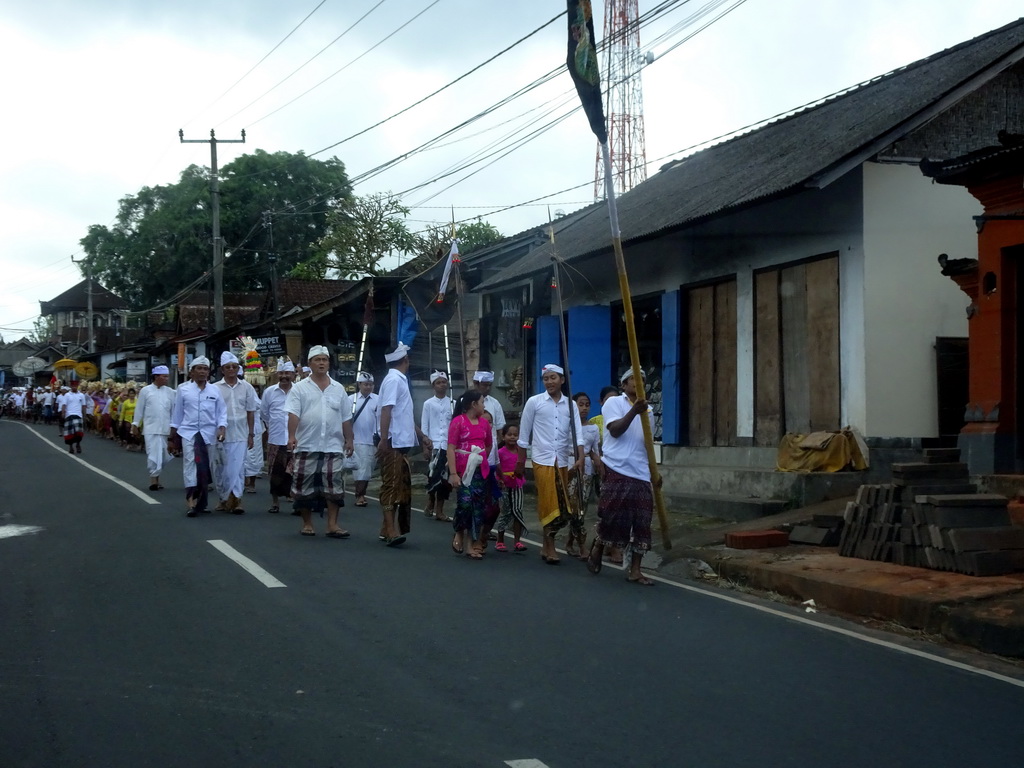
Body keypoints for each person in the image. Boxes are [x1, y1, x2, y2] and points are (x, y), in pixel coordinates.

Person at [586, 368, 660, 586]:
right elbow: (615, 430)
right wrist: (634, 411)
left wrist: (655, 471)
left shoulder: (649, 411)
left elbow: (647, 444)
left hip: (641, 472)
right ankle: (599, 545)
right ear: (624, 385)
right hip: (617, 467)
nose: (639, 383)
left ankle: (635, 570)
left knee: (642, 523)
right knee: (612, 518)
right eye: (634, 380)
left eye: (643, 380)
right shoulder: (614, 403)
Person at [515, 363, 584, 564]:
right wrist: (521, 461)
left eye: (553, 378)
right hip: (542, 459)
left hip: (562, 460)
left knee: (562, 505)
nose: (549, 382)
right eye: (546, 378)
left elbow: (577, 433)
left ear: (562, 380)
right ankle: (551, 546)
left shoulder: (570, 405)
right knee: (549, 503)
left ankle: (546, 546)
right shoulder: (534, 402)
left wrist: (580, 457)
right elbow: (523, 434)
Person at [286, 346, 354, 538]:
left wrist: (349, 439)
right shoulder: (299, 388)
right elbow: (293, 414)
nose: (322, 363)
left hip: (332, 445)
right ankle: (307, 523)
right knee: (303, 486)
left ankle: (332, 524)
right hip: (307, 444)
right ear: (310, 364)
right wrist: (291, 436)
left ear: (329, 363)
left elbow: (346, 418)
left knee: (334, 486)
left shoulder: (338, 389)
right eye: (318, 360)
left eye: (325, 359)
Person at [377, 342, 425, 546]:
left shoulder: (399, 380)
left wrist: (422, 436)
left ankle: (386, 527)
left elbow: (402, 414)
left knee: (399, 485)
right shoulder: (393, 381)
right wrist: (383, 439)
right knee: (391, 485)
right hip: (392, 442)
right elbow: (386, 410)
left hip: (400, 441)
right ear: (406, 360)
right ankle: (390, 529)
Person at [168, 357, 227, 517]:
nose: (202, 372)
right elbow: (177, 414)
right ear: (192, 372)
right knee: (190, 465)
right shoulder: (183, 389)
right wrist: (172, 437)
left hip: (209, 435)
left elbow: (221, 412)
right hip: (189, 433)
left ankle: (202, 501)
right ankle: (191, 502)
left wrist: (222, 428)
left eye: (205, 369)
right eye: (199, 369)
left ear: (208, 372)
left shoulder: (215, 390)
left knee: (206, 467)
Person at [447, 390, 493, 559]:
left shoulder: (484, 424)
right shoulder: (458, 422)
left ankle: (470, 544)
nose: (484, 405)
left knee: (478, 508)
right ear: (474, 404)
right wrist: (453, 473)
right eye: (482, 402)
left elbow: (488, 445)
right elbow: (451, 448)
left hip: (480, 471)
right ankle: (458, 531)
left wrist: (478, 458)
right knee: (465, 504)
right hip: (462, 471)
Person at [212, 351, 259, 514]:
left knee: (238, 468)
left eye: (234, 366)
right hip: (220, 435)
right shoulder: (215, 388)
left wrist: (251, 434)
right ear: (222, 369)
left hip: (241, 433)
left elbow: (250, 412)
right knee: (221, 469)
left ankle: (237, 500)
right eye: (228, 367)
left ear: (238, 368)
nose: (231, 369)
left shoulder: (247, 387)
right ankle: (223, 499)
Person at [565, 392, 603, 558]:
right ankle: (576, 543)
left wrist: (600, 467)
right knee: (572, 508)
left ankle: (575, 543)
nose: (584, 408)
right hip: (568, 466)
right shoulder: (567, 426)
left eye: (587, 404)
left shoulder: (593, 428)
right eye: (580, 404)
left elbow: (595, 452)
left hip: (586, 469)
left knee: (581, 508)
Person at [131, 365, 177, 491]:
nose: (167, 379)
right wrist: (135, 424)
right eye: (164, 376)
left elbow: (173, 411)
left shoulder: (170, 392)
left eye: (167, 376)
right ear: (156, 376)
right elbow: (139, 409)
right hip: (150, 428)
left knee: (163, 455)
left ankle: (157, 477)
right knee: (152, 453)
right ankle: (153, 480)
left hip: (165, 429)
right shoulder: (146, 391)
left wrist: (174, 428)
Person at [260, 360, 296, 514]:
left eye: (287, 373)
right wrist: (273, 426)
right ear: (277, 375)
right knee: (275, 473)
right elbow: (264, 414)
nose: (284, 376)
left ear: (293, 375)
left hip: (295, 439)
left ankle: (296, 501)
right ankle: (275, 503)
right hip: (276, 438)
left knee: (295, 473)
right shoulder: (269, 392)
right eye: (281, 373)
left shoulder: (299, 391)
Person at [420, 369, 453, 522]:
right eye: (438, 383)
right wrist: (425, 446)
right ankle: (431, 500)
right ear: (433, 385)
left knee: (445, 480)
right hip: (433, 445)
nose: (442, 385)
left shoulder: (452, 403)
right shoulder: (428, 404)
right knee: (432, 476)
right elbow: (424, 426)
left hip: (448, 446)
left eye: (444, 382)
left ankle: (440, 510)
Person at [347, 371, 380, 508]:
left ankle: (360, 493)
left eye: (370, 384)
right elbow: (346, 419)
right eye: (365, 384)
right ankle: (360, 495)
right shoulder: (351, 400)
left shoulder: (378, 400)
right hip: (356, 439)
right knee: (359, 468)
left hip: (372, 439)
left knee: (367, 468)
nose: (368, 387)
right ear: (359, 384)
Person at [494, 424, 528, 553]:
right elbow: (498, 470)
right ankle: (500, 540)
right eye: (510, 434)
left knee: (518, 511)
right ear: (503, 436)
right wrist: (500, 480)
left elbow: (522, 467)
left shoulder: (521, 452)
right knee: (506, 512)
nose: (513, 437)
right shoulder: (500, 452)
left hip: (517, 485)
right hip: (504, 486)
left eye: (515, 435)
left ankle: (517, 541)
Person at [61, 379, 90, 454]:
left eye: (76, 386)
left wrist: (84, 415)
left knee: (78, 432)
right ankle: (70, 447)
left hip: (78, 415)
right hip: (69, 415)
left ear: (78, 386)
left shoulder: (81, 395)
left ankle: (78, 444)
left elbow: (84, 406)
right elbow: (64, 405)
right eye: (73, 386)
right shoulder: (67, 395)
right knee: (70, 433)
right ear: (71, 386)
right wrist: (63, 413)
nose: (74, 387)